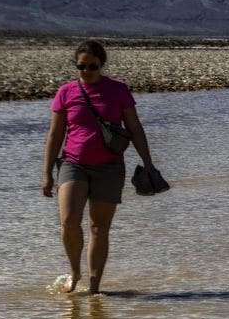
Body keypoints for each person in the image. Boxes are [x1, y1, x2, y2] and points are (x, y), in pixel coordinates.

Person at [41, 40, 158, 294]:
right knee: (69, 221)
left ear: (102, 64)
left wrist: (148, 163)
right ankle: (74, 273)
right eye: (81, 66)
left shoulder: (117, 90)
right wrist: (47, 173)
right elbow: (54, 135)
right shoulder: (66, 92)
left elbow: (134, 128)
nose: (86, 71)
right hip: (73, 163)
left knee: (98, 227)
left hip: (109, 167)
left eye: (92, 66)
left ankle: (95, 287)